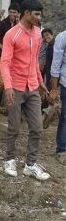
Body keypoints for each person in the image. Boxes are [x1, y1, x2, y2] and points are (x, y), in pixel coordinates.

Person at [1, 0, 50, 181]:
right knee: (14, 127)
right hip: (15, 86)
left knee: (37, 128)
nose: (39, 17)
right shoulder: (11, 34)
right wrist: (7, 86)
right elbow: (5, 63)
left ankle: (30, 165)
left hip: (33, 86)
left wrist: (39, 80)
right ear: (26, 13)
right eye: (36, 14)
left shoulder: (37, 33)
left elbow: (34, 60)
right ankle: (10, 159)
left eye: (39, 14)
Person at [0, 3, 20, 106]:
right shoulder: (1, 24)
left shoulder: (19, 26)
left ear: (18, 14)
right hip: (0, 56)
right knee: (2, 81)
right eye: (10, 12)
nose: (12, 14)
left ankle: (0, 103)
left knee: (11, 81)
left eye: (14, 12)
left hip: (13, 58)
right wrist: (5, 49)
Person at [48, 30, 66, 165]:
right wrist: (54, 89)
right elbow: (56, 65)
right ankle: (61, 149)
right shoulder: (62, 37)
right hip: (65, 83)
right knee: (65, 118)